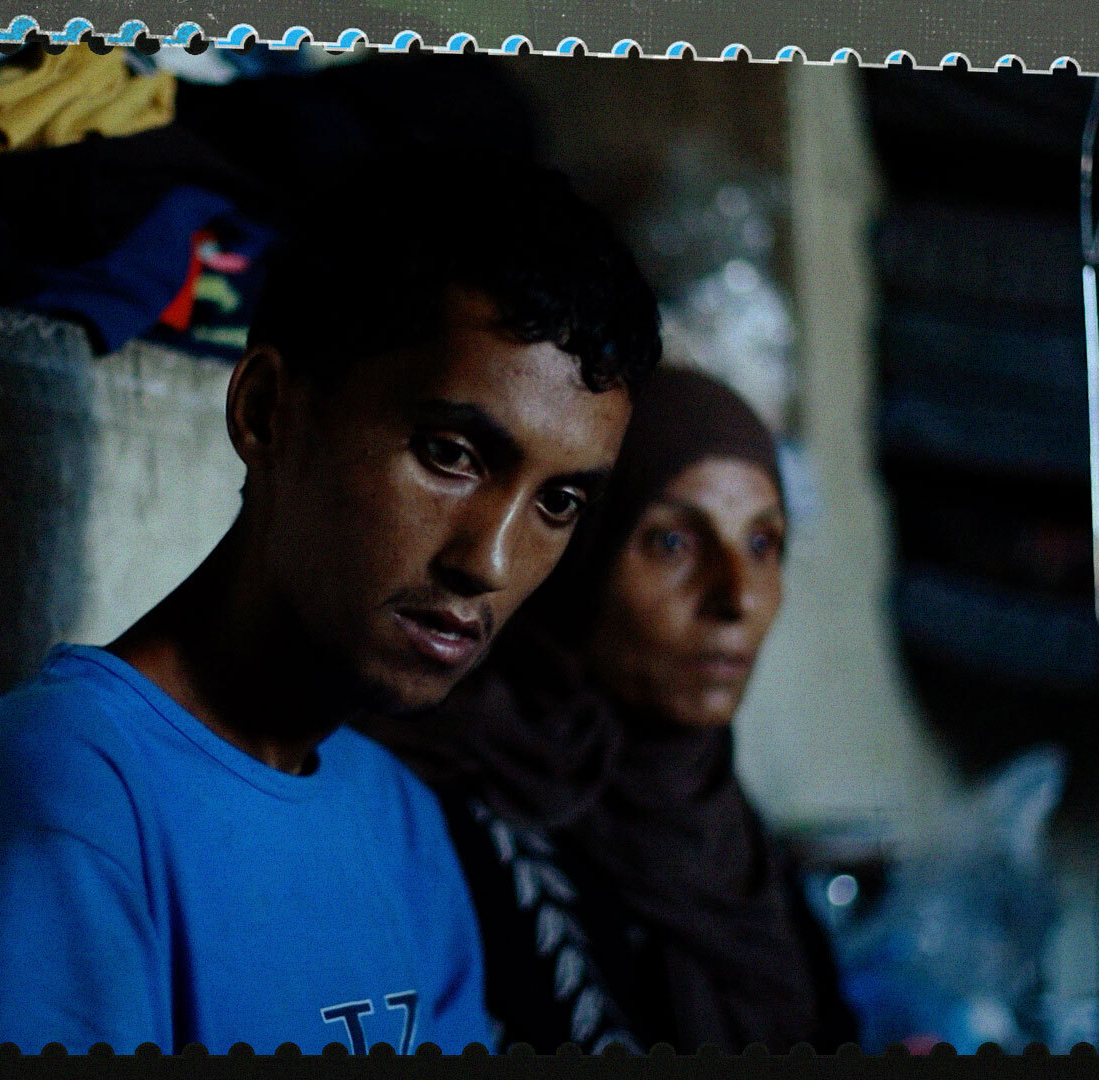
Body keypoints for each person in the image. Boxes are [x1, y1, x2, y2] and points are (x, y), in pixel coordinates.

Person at [0, 161, 662, 1055]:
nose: (489, 562)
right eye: (449, 454)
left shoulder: (401, 824)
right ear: (267, 412)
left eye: (558, 503)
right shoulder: (72, 786)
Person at [359, 368, 860, 1054]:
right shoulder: (441, 820)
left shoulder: (731, 841)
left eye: (762, 544)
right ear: (578, 558)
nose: (737, 598)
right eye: (673, 543)